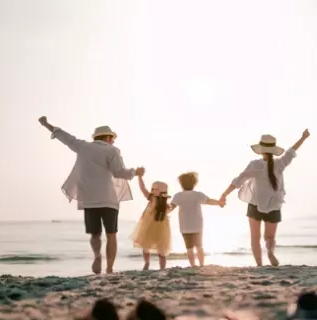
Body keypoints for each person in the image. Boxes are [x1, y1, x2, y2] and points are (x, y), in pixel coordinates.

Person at [38, 116, 144, 275]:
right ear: (108, 138)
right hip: (109, 199)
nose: (113, 142)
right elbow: (118, 173)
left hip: (89, 199)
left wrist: (46, 124)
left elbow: (64, 137)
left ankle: (97, 256)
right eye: (112, 139)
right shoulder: (112, 150)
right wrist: (135, 172)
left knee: (95, 234)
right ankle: (109, 269)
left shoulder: (82, 146)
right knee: (111, 234)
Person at [220, 129, 310, 266]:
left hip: (255, 204)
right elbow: (291, 151)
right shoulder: (280, 163)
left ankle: (259, 265)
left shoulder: (255, 165)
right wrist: (303, 138)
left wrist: (224, 194)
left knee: (255, 238)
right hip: (274, 204)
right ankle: (270, 252)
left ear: (261, 150)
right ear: (273, 150)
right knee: (270, 237)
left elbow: (238, 181)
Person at [170, 172, 225, 267]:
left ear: (181, 184)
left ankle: (193, 265)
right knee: (199, 247)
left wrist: (161, 213)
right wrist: (219, 203)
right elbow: (209, 201)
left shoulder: (178, 196)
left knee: (189, 248)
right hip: (197, 226)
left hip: (184, 227)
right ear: (194, 184)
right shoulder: (198, 195)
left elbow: (170, 207)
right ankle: (201, 264)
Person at [130, 174, 172, 270]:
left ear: (162, 191)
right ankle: (147, 263)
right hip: (148, 226)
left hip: (161, 230)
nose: (152, 191)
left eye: (155, 189)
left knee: (161, 250)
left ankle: (162, 268)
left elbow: (169, 210)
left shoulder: (166, 205)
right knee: (145, 246)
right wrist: (140, 178)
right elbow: (143, 189)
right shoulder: (152, 198)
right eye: (152, 189)